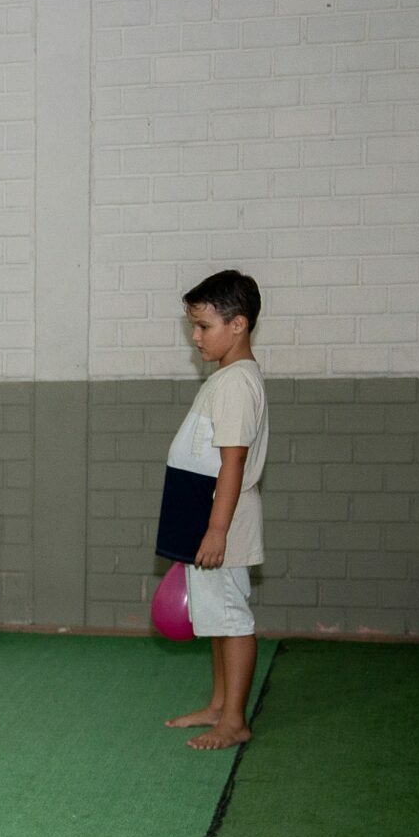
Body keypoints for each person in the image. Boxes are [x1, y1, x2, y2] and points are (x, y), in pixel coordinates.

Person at [157, 270, 269, 751]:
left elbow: (233, 461)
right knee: (215, 618)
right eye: (193, 327)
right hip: (208, 516)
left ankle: (234, 721)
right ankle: (220, 706)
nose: (196, 337)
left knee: (231, 618)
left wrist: (217, 529)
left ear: (238, 324)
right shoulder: (225, 378)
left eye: (204, 326)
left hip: (221, 519)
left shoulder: (237, 383)